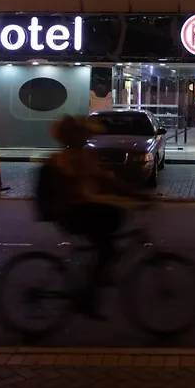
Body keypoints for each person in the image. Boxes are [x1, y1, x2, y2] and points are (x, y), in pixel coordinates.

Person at [42, 114, 150, 320]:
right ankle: (92, 289)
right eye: (84, 134)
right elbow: (106, 181)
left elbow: (102, 182)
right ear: (75, 136)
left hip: (73, 211)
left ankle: (95, 275)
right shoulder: (73, 158)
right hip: (72, 213)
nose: (88, 137)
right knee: (108, 240)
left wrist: (124, 196)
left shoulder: (71, 156)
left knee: (109, 224)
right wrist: (137, 195)